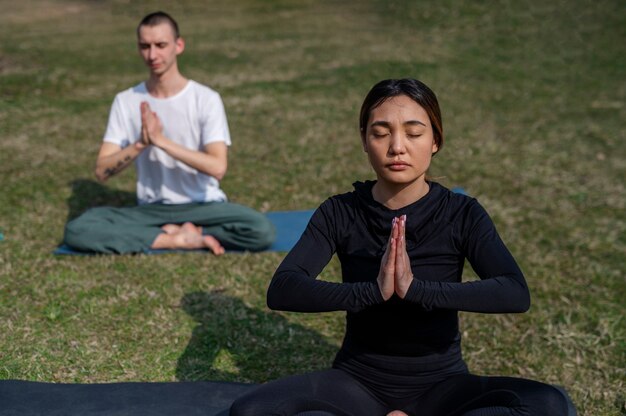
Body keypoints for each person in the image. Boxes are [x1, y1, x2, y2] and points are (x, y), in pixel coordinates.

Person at [230, 79, 571, 415]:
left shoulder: (462, 213)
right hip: (358, 382)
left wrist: (416, 289)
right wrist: (372, 292)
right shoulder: (341, 211)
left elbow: (514, 292)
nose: (397, 147)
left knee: (546, 404)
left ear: (435, 140)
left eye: (413, 132)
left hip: (442, 387)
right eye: (380, 133)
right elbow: (283, 289)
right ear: (364, 140)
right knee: (254, 410)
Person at [63, 11, 275, 255]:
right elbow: (102, 170)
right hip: (152, 210)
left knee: (260, 229)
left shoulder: (205, 99)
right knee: (79, 229)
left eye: (161, 45)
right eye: (145, 46)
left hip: (203, 205)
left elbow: (217, 167)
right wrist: (141, 144)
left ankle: (177, 233)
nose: (153, 55)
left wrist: (161, 142)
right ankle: (177, 239)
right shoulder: (126, 101)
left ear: (179, 45)